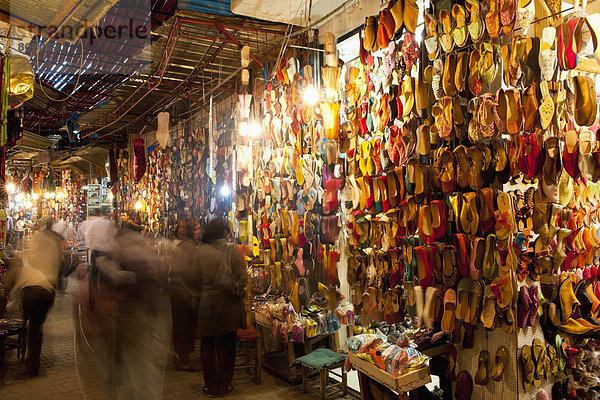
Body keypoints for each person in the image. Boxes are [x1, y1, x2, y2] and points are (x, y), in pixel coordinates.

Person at [195, 218, 247, 397]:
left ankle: (210, 385)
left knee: (208, 345)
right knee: (227, 346)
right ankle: (224, 384)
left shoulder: (200, 251)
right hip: (227, 305)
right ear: (223, 231)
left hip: (207, 303)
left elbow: (196, 279)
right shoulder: (230, 250)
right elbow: (237, 277)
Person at [18, 217, 63, 376]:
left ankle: (28, 363)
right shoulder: (56, 241)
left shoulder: (37, 238)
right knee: (36, 328)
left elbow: (31, 259)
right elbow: (60, 262)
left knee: (28, 325)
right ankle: (32, 362)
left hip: (32, 287)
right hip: (47, 290)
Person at [169, 219, 200, 370]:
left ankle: (181, 357)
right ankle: (184, 361)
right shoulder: (189, 248)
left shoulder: (182, 247)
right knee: (184, 326)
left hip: (179, 291)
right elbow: (191, 271)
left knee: (182, 326)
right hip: (183, 292)